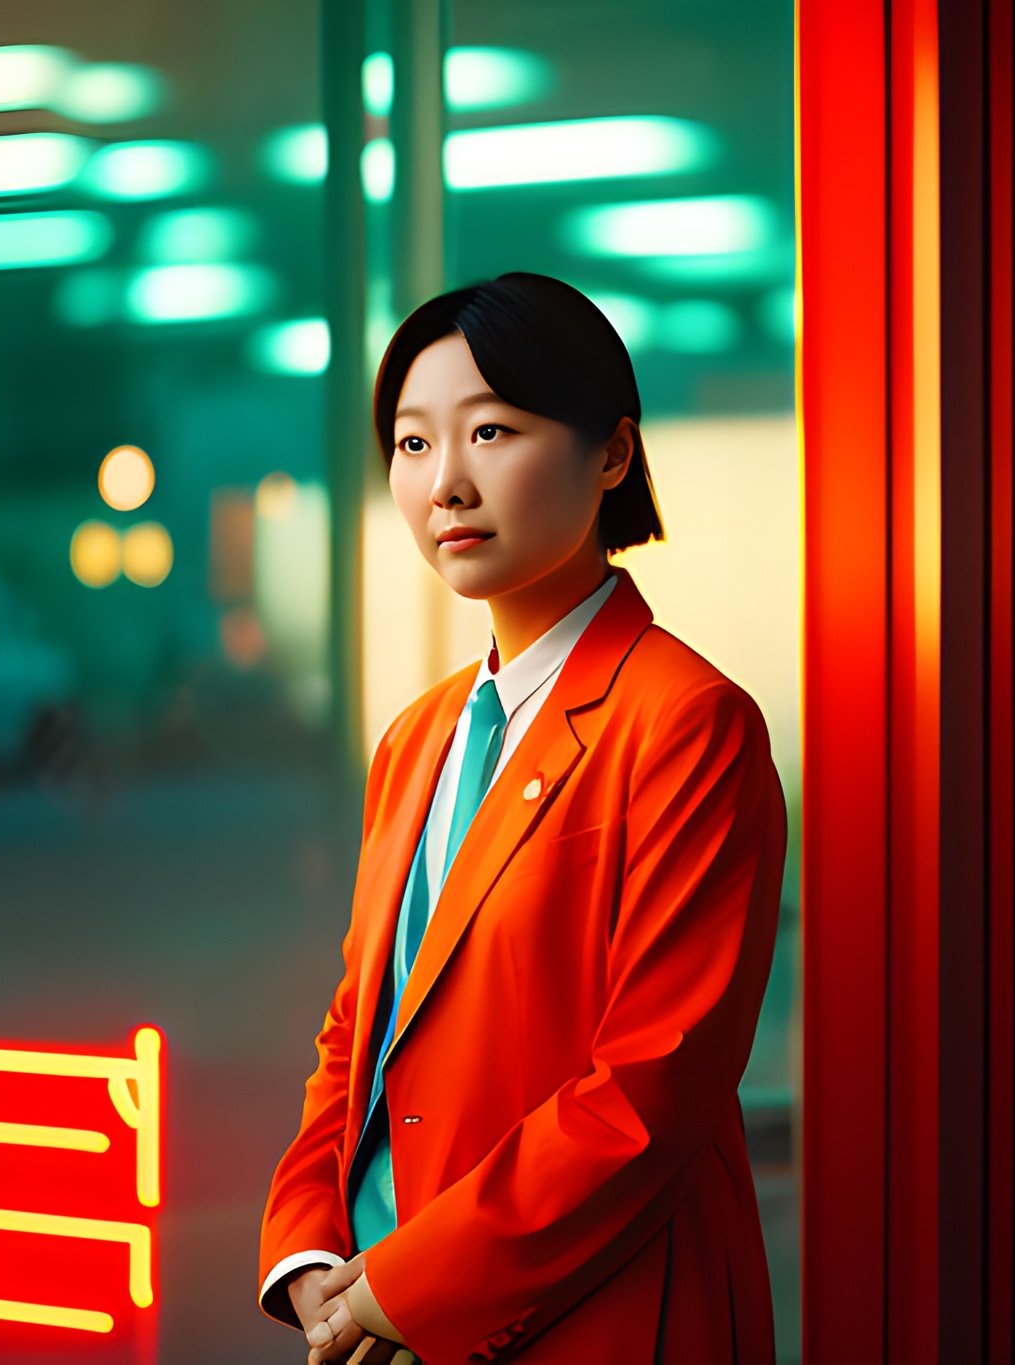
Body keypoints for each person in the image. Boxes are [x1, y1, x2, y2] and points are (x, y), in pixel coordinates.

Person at [257, 274, 785, 1365]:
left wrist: (402, 1286)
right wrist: (307, 1245)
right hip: (380, 1311)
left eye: (490, 430)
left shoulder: (687, 724)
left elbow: (647, 1093)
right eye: (410, 444)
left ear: (610, 453)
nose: (444, 484)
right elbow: (356, 1027)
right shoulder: (419, 737)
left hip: (595, 1316)